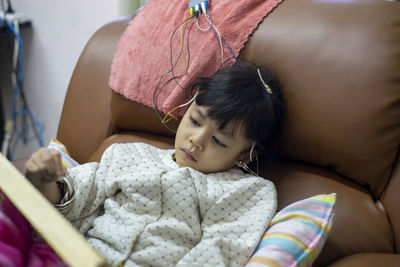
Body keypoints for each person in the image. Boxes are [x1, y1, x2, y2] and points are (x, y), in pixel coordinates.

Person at [25, 62, 285, 267]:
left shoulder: (246, 193)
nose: (196, 141)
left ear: (246, 155)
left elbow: (217, 254)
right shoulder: (127, 155)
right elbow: (75, 197)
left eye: (218, 140)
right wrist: (45, 181)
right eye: (195, 120)